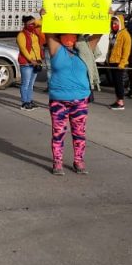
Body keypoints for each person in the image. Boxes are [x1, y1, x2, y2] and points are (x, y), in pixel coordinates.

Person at [45, 33, 92, 176]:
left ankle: (79, 161)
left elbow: (100, 31)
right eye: (65, 35)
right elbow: (49, 32)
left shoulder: (85, 50)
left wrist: (106, 17)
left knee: (79, 133)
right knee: (58, 133)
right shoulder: (56, 48)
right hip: (59, 101)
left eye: (72, 35)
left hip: (80, 100)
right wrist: (46, 17)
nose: (69, 38)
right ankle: (57, 162)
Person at [16, 15, 44, 110]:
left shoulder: (35, 33)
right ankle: (24, 103)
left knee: (31, 84)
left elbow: (42, 23)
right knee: (25, 83)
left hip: (36, 62)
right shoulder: (21, 35)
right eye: (30, 23)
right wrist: (31, 60)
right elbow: (23, 49)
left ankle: (29, 101)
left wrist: (38, 18)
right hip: (27, 63)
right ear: (25, 24)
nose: (33, 25)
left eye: (33, 23)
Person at [106, 14, 132, 110]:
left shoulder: (126, 35)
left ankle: (121, 102)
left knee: (119, 83)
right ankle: (117, 100)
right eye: (113, 23)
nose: (114, 25)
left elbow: (126, 51)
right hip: (112, 62)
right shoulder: (113, 34)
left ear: (120, 23)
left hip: (119, 64)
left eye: (116, 23)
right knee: (115, 83)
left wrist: (122, 63)